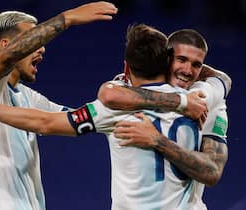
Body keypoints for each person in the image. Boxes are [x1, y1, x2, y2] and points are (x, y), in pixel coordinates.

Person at [0, 24, 212, 209]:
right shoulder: (205, 98)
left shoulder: (113, 107)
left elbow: (46, 123)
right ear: (167, 64)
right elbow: (213, 171)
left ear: (126, 66)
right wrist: (184, 99)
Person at [0, 2, 118, 210]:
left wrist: (114, 109)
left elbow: (73, 120)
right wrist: (68, 18)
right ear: (5, 45)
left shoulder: (29, 97)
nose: (42, 48)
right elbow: (8, 57)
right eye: (34, 39)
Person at [97, 29, 231, 208]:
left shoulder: (206, 98)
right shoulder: (133, 93)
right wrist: (182, 102)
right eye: (181, 60)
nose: (187, 71)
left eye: (196, 65)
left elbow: (212, 172)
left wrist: (158, 141)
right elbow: (109, 94)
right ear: (166, 59)